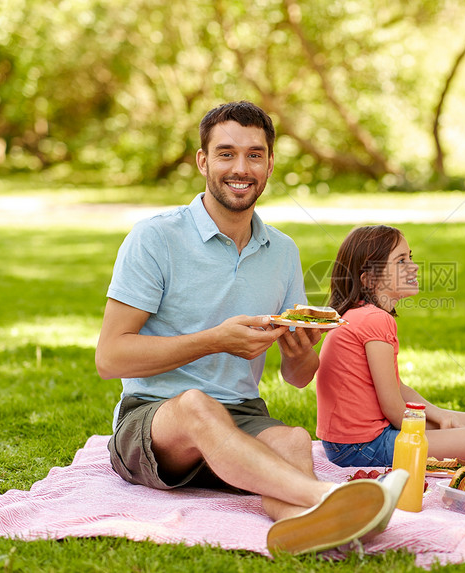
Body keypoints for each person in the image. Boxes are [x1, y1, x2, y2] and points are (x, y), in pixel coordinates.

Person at [95, 101, 408, 556]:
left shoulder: (281, 251)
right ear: (203, 161)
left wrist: (302, 352)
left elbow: (297, 376)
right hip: (155, 417)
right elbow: (109, 358)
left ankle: (307, 530)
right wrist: (215, 341)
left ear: (269, 164)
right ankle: (328, 498)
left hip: (241, 414)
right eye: (226, 154)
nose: (240, 168)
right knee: (197, 405)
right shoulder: (155, 238)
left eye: (254, 155)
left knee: (294, 438)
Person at [315, 224, 465, 467]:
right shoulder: (374, 319)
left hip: (354, 440)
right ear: (369, 278)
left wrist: (441, 416)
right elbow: (393, 408)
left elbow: (397, 387)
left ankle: (463, 430)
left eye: (410, 258)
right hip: (360, 446)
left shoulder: (363, 314)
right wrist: (433, 430)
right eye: (401, 261)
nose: (414, 266)